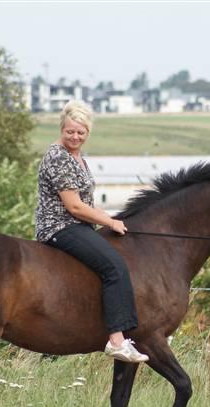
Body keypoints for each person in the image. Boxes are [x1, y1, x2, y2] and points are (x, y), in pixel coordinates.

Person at [34, 100, 148, 363]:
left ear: (88, 133)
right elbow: (74, 206)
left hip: (79, 225)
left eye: (80, 132)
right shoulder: (58, 157)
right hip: (60, 226)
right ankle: (117, 341)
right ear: (62, 129)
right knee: (114, 267)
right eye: (70, 131)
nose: (75, 137)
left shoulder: (77, 157)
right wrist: (110, 221)